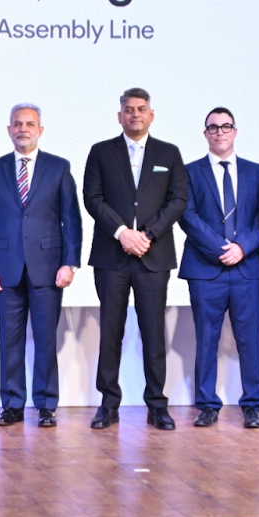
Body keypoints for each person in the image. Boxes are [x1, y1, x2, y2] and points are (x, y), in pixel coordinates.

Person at [83, 87, 189, 431]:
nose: (135, 114)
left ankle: (157, 404)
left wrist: (147, 234)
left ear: (151, 114)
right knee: (110, 331)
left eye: (141, 109)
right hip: (111, 255)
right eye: (128, 109)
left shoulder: (169, 153)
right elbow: (92, 198)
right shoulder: (101, 152)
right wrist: (122, 233)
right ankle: (108, 404)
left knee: (153, 332)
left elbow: (178, 200)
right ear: (120, 116)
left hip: (152, 255)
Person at [0, 103, 81, 427]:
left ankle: (46, 405)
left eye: (30, 124)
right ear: (9, 130)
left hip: (48, 268)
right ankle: (12, 405)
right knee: (9, 340)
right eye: (17, 124)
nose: (23, 129)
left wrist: (70, 263)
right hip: (5, 270)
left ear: (40, 130)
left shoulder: (59, 168)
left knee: (46, 339)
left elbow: (71, 220)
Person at [178, 107, 259, 428]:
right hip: (205, 269)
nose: (219, 132)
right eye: (213, 128)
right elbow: (187, 216)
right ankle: (207, 404)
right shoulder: (189, 172)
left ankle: (253, 404)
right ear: (205, 134)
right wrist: (220, 248)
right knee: (206, 339)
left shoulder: (258, 172)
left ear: (235, 131)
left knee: (249, 340)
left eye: (225, 126)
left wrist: (243, 247)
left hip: (248, 268)